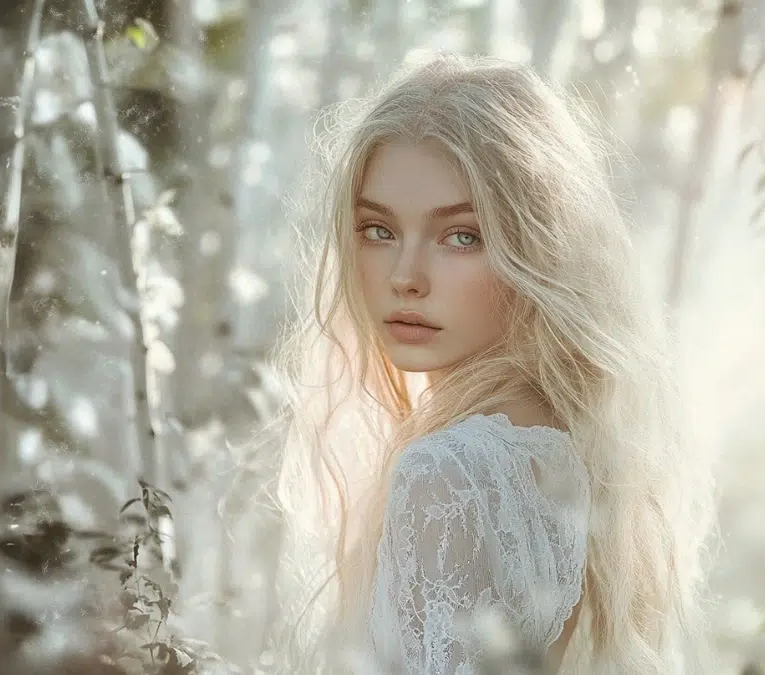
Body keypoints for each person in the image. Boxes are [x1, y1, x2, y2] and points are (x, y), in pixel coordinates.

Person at [262, 53, 715, 674]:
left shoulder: (448, 470)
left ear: (537, 247)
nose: (405, 277)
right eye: (378, 229)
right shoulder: (561, 441)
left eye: (462, 236)